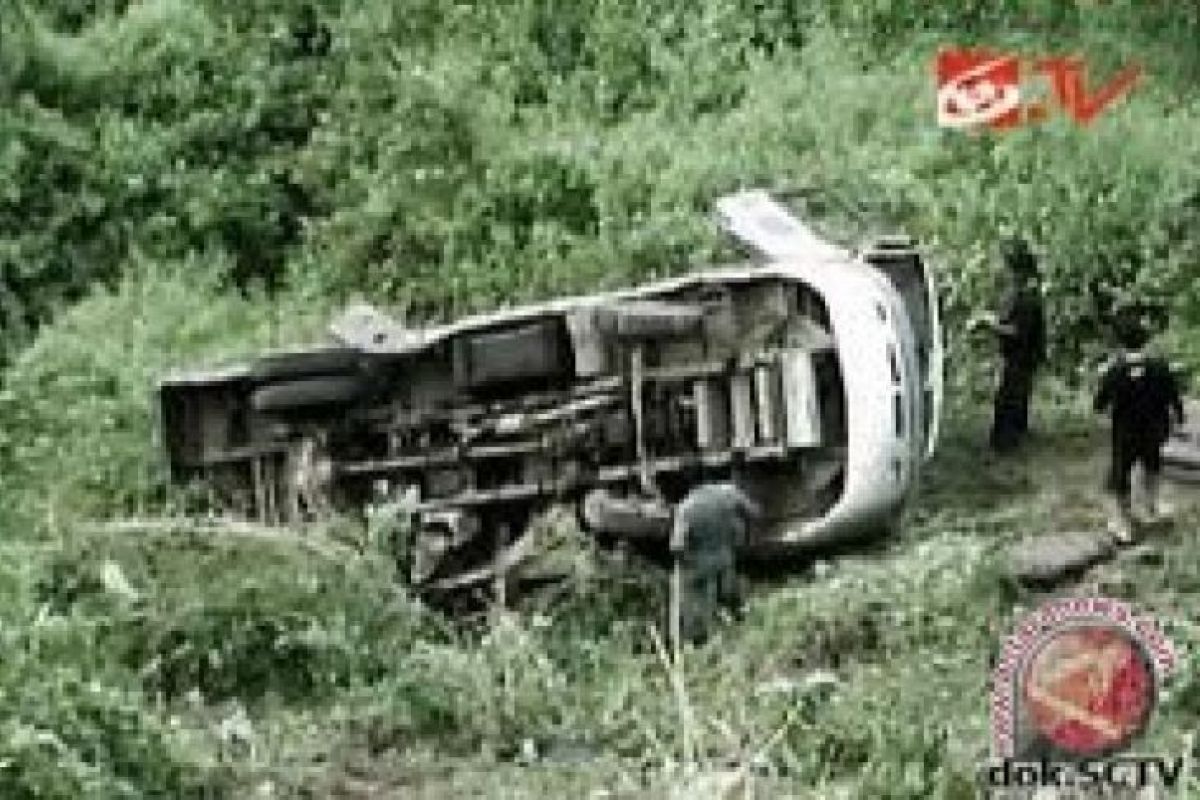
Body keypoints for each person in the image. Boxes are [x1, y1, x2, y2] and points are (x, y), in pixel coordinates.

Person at [1094, 314, 1185, 543]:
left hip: (1125, 433)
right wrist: (1177, 421)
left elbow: (1099, 405)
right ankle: (1150, 508)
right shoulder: (1160, 367)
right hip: (1154, 430)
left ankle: (1121, 523)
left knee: (1119, 475)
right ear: (1146, 340)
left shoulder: (1114, 371)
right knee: (1152, 466)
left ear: (1120, 343)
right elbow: (1174, 400)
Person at [971, 238, 1047, 453]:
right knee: (1018, 397)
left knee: (1008, 400)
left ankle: (1006, 444)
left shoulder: (1026, 297)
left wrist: (989, 325)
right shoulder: (1028, 291)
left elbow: (1016, 331)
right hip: (1025, 356)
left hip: (1021, 356)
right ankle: (1016, 436)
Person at [668, 482, 761, 648]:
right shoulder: (729, 493)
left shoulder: (685, 508)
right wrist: (746, 538)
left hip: (699, 563)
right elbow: (754, 512)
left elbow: (677, 545)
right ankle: (741, 628)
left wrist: (688, 561)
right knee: (729, 593)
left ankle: (697, 642)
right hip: (725, 556)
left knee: (695, 604)